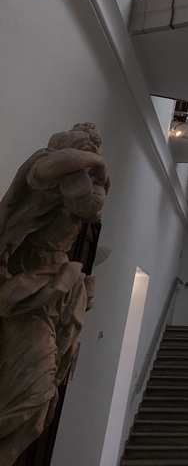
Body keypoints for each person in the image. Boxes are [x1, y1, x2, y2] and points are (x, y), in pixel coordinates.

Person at [0, 123, 109, 465]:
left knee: (39, 409)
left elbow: (91, 208)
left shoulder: (79, 188)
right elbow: (55, 167)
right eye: (88, 148)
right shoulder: (42, 169)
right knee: (33, 395)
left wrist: (96, 174)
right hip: (27, 289)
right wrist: (97, 163)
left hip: (57, 288)